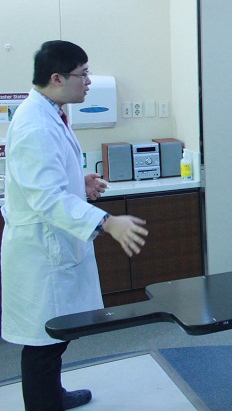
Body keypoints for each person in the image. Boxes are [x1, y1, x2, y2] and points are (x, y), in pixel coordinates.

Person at [1, 40, 149, 410]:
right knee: (43, 343)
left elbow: (46, 181)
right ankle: (44, 404)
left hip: (54, 244)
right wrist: (108, 222)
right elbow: (47, 198)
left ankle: (53, 396)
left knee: (57, 337)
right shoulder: (36, 125)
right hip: (41, 252)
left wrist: (78, 183)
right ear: (56, 78)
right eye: (83, 74)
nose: (88, 81)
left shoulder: (49, 112)